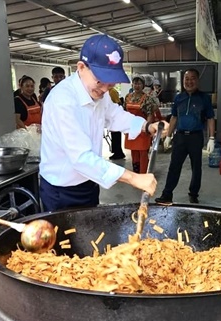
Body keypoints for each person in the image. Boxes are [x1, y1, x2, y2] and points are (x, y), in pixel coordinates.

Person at [40, 34, 168, 211]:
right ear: (81, 67)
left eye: (110, 84)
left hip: (90, 182)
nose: (104, 89)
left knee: (91, 236)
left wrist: (147, 126)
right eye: (100, 81)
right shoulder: (62, 101)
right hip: (62, 190)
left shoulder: (99, 92)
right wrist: (133, 177)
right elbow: (81, 158)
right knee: (66, 238)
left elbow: (114, 115)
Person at [155, 68, 215, 205]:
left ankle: (194, 193)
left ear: (198, 81)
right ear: (183, 81)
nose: (189, 81)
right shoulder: (178, 98)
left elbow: (211, 118)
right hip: (180, 137)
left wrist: (211, 138)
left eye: (192, 78)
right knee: (174, 166)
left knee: (196, 167)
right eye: (186, 79)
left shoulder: (204, 98)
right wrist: (169, 136)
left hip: (196, 137)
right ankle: (167, 194)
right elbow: (174, 118)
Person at [124, 76, 159, 173]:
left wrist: (147, 128)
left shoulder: (147, 98)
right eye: (135, 83)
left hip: (142, 128)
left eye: (139, 83)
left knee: (143, 151)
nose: (137, 86)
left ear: (143, 85)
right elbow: (124, 112)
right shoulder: (128, 97)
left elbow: (150, 114)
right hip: (131, 128)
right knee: (133, 151)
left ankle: (144, 173)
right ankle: (136, 171)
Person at [108, 86, 126, 160]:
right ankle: (116, 151)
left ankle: (118, 152)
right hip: (111, 117)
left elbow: (118, 103)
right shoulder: (107, 91)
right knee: (114, 135)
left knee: (116, 135)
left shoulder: (112, 91)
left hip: (115, 117)